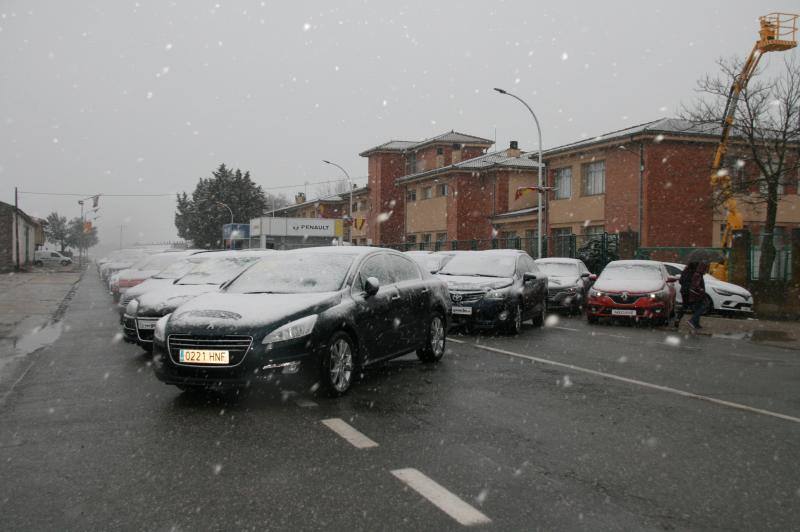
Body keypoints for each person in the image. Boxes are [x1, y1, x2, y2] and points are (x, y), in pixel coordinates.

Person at [686, 261, 709, 330]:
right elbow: (696, 285)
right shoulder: (698, 275)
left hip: (697, 294)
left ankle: (696, 324)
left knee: (698, 308)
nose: (706, 270)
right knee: (703, 307)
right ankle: (692, 320)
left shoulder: (698, 274)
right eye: (705, 269)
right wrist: (701, 289)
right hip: (697, 295)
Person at [674, 261, 697, 328]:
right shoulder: (694, 273)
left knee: (684, 305)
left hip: (684, 290)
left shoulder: (685, 271)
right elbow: (695, 283)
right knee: (694, 305)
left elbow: (680, 281)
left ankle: (678, 318)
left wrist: (685, 285)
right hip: (690, 291)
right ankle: (693, 320)